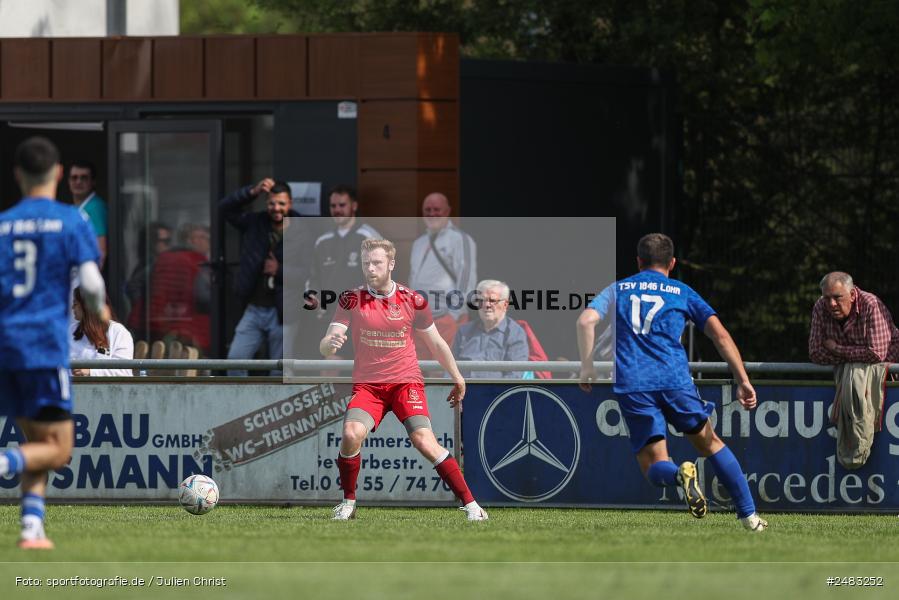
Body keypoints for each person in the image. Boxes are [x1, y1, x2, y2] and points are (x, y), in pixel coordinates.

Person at [576, 233, 767, 532]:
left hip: (634, 384)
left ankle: (680, 474)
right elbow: (720, 335)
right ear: (672, 263)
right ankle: (750, 518)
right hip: (675, 381)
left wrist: (587, 367)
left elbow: (585, 321)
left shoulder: (618, 289)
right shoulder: (681, 291)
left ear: (638, 262)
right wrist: (742, 379)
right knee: (711, 443)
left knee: (653, 466)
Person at [319, 238, 488, 521]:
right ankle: (348, 503)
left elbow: (436, 344)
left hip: (405, 382)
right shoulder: (351, 299)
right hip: (369, 386)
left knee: (424, 441)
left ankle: (472, 506)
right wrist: (329, 343)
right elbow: (326, 344)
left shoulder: (413, 300)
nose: (370, 269)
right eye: (365, 263)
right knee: (350, 435)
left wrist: (458, 377)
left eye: (376, 263)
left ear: (391, 264)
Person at [0, 136, 108, 549]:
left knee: (37, 444)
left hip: (6, 346)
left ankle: (32, 528)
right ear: (59, 174)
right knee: (59, 451)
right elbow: (92, 284)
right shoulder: (70, 221)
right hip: (43, 348)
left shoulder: (4, 223)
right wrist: (100, 310)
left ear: (17, 175)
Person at [808, 271, 897, 468]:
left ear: (852, 295)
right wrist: (855, 357)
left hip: (889, 379)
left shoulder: (871, 304)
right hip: (849, 379)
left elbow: (876, 354)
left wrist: (836, 349)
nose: (831, 304)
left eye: (837, 297)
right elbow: (815, 353)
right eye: (827, 298)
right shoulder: (820, 307)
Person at [221, 179, 299, 375]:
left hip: (284, 311)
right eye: (272, 203)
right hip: (254, 308)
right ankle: (239, 406)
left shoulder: (303, 228)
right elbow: (225, 209)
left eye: (281, 203)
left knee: (279, 372)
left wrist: (279, 270)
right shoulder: (256, 222)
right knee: (235, 362)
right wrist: (252, 190)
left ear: (290, 203)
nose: (276, 208)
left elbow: (310, 271)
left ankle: (273, 407)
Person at [409, 192, 477, 356]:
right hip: (420, 319)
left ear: (447, 211)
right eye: (428, 209)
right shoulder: (419, 242)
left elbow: (466, 278)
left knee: (442, 372)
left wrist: (453, 315)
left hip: (446, 318)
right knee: (419, 369)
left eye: (437, 209)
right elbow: (412, 278)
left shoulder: (460, 239)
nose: (432, 213)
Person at [305, 184, 381, 324]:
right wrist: (314, 299)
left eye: (342, 205)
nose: (337, 210)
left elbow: (382, 278)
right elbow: (313, 277)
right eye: (333, 206)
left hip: (362, 319)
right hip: (329, 318)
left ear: (354, 206)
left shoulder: (370, 237)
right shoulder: (322, 241)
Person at [148, 224, 211, 353]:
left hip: (163, 321)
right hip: (192, 325)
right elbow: (203, 297)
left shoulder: (165, 258)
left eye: (203, 237)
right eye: (194, 237)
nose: (197, 241)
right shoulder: (199, 263)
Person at [452, 279, 528, 379]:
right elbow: (451, 370)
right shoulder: (464, 331)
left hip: (497, 393)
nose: (487, 305)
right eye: (481, 300)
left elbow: (514, 376)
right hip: (463, 392)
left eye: (492, 301)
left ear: (505, 305)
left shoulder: (515, 334)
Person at [70, 287, 134, 377]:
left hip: (108, 390)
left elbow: (124, 371)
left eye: (75, 303)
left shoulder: (118, 332)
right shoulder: (70, 331)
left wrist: (91, 372)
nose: (72, 307)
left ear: (87, 305)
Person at [125, 222, 172, 340]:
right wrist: (147, 307)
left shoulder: (159, 261)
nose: (168, 245)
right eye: (164, 241)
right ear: (152, 242)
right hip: (148, 322)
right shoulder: (151, 264)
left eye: (169, 241)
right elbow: (133, 287)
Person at [67, 160, 107, 268]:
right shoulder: (75, 209)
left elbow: (101, 252)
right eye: (74, 178)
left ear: (93, 182)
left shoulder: (95, 207)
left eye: (84, 178)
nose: (78, 182)